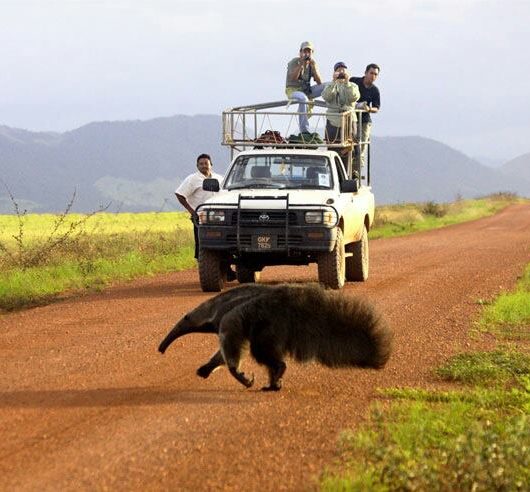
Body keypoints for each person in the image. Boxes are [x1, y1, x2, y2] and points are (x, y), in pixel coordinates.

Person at [175, 154, 236, 280]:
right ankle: (206, 273)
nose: (204, 165)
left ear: (211, 165)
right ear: (197, 166)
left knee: (224, 243)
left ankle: (226, 271)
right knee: (202, 245)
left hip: (220, 217)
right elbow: (180, 194)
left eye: (206, 163)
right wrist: (193, 212)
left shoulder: (220, 179)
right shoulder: (192, 179)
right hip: (201, 216)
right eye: (201, 164)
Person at [285, 41, 326, 133]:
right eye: (305, 51)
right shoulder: (294, 62)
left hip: (306, 90)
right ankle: (304, 130)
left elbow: (319, 82)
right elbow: (293, 78)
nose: (307, 54)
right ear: (300, 52)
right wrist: (301, 65)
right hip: (293, 90)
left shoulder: (312, 64)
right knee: (303, 99)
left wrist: (314, 67)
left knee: (328, 86)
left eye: (309, 52)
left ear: (312, 53)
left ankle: (334, 109)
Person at [322, 62, 360, 148]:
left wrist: (347, 82)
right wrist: (333, 82)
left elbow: (354, 97)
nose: (341, 72)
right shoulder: (329, 85)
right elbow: (326, 97)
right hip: (333, 120)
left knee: (351, 148)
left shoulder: (353, 86)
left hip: (349, 120)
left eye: (343, 70)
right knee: (333, 147)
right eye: (339, 70)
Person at [349, 63, 381, 167]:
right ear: (365, 73)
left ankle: (356, 172)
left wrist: (369, 109)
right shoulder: (354, 81)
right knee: (349, 145)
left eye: (375, 74)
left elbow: (377, 108)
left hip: (364, 121)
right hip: (350, 119)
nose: (373, 76)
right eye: (371, 73)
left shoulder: (375, 90)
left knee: (361, 147)